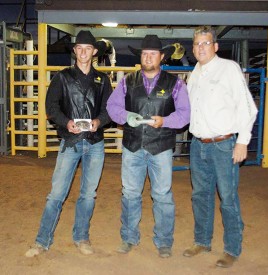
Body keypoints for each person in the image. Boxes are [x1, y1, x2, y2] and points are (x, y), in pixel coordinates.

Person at [25, 30, 112, 257]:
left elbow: (109, 110)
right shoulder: (62, 77)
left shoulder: (102, 80)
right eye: (79, 48)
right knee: (56, 194)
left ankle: (81, 237)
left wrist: (98, 121)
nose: (83, 52)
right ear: (75, 51)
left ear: (94, 52)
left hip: (94, 143)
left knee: (88, 194)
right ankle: (42, 241)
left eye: (88, 48)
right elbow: (51, 107)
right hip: (70, 142)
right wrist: (67, 122)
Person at [106, 34, 190, 258]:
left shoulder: (176, 83)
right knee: (130, 193)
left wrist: (165, 121)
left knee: (162, 195)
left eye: (153, 53)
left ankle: (164, 241)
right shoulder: (127, 81)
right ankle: (128, 237)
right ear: (140, 57)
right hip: (132, 146)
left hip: (160, 147)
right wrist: (125, 116)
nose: (148, 57)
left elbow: (184, 114)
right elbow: (112, 106)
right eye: (145, 53)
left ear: (161, 57)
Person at [183, 26, 258, 268]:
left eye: (205, 43)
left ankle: (232, 248)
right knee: (200, 196)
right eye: (197, 45)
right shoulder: (195, 72)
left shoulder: (229, 69)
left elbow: (247, 107)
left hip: (224, 145)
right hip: (198, 145)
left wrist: (242, 141)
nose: (200, 48)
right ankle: (202, 241)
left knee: (227, 197)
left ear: (215, 46)